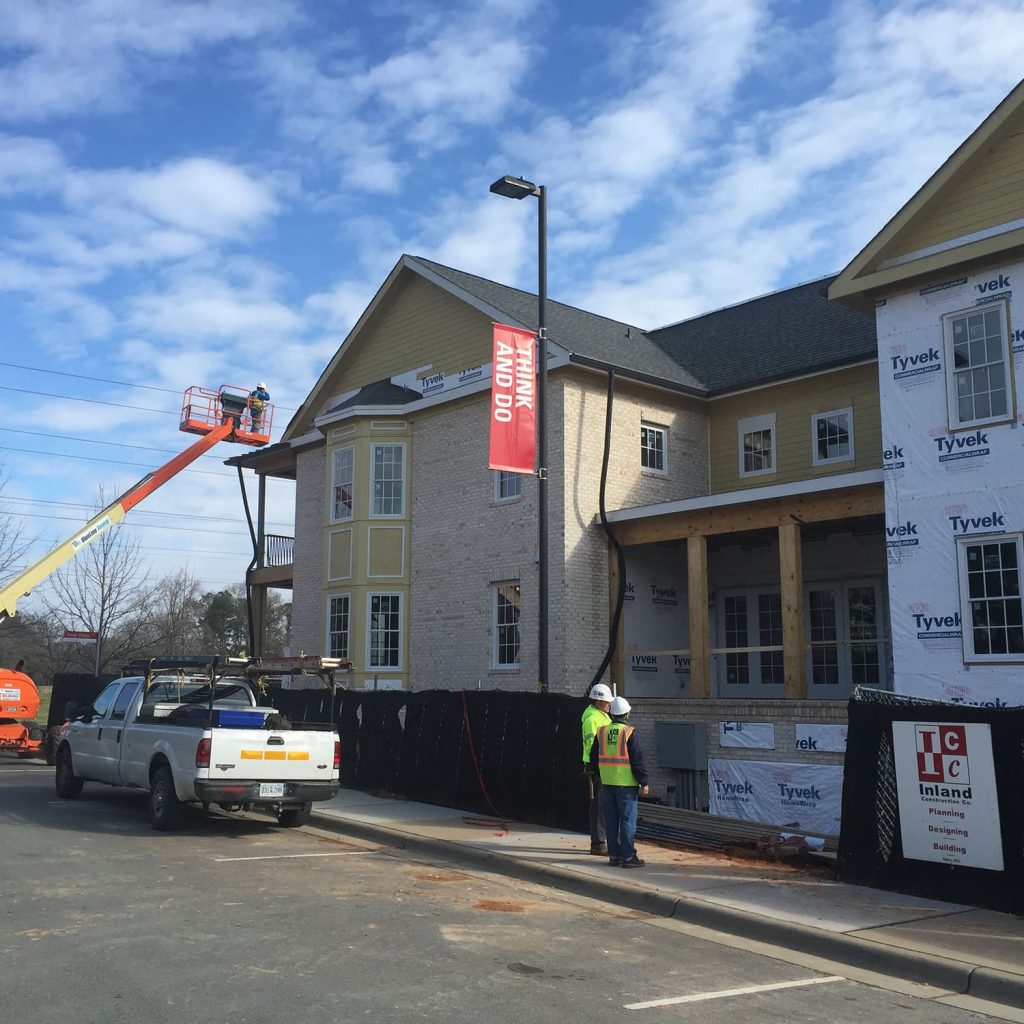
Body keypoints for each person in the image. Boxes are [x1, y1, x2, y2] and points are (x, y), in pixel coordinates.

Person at [590, 695, 649, 867]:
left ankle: (614, 855)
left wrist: (598, 774)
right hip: (626, 785)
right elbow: (638, 761)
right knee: (627, 820)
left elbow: (594, 758)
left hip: (607, 783)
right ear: (626, 713)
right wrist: (644, 782)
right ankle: (629, 856)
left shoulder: (601, 732)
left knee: (611, 819)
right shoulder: (630, 732)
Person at [581, 682, 613, 855]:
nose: (610, 704)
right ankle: (598, 843)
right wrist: (594, 765)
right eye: (607, 701)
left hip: (602, 766)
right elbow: (591, 745)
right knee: (598, 806)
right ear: (598, 701)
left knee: (602, 805)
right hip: (596, 767)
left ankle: (601, 841)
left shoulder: (602, 716)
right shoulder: (592, 719)